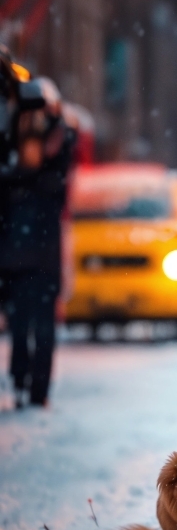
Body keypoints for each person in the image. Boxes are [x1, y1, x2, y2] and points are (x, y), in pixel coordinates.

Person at [0, 78, 74, 408]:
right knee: (33, 330)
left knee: (27, 329)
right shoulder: (46, 176)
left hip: (22, 261)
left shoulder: (18, 176)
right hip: (34, 261)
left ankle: (26, 385)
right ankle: (32, 389)